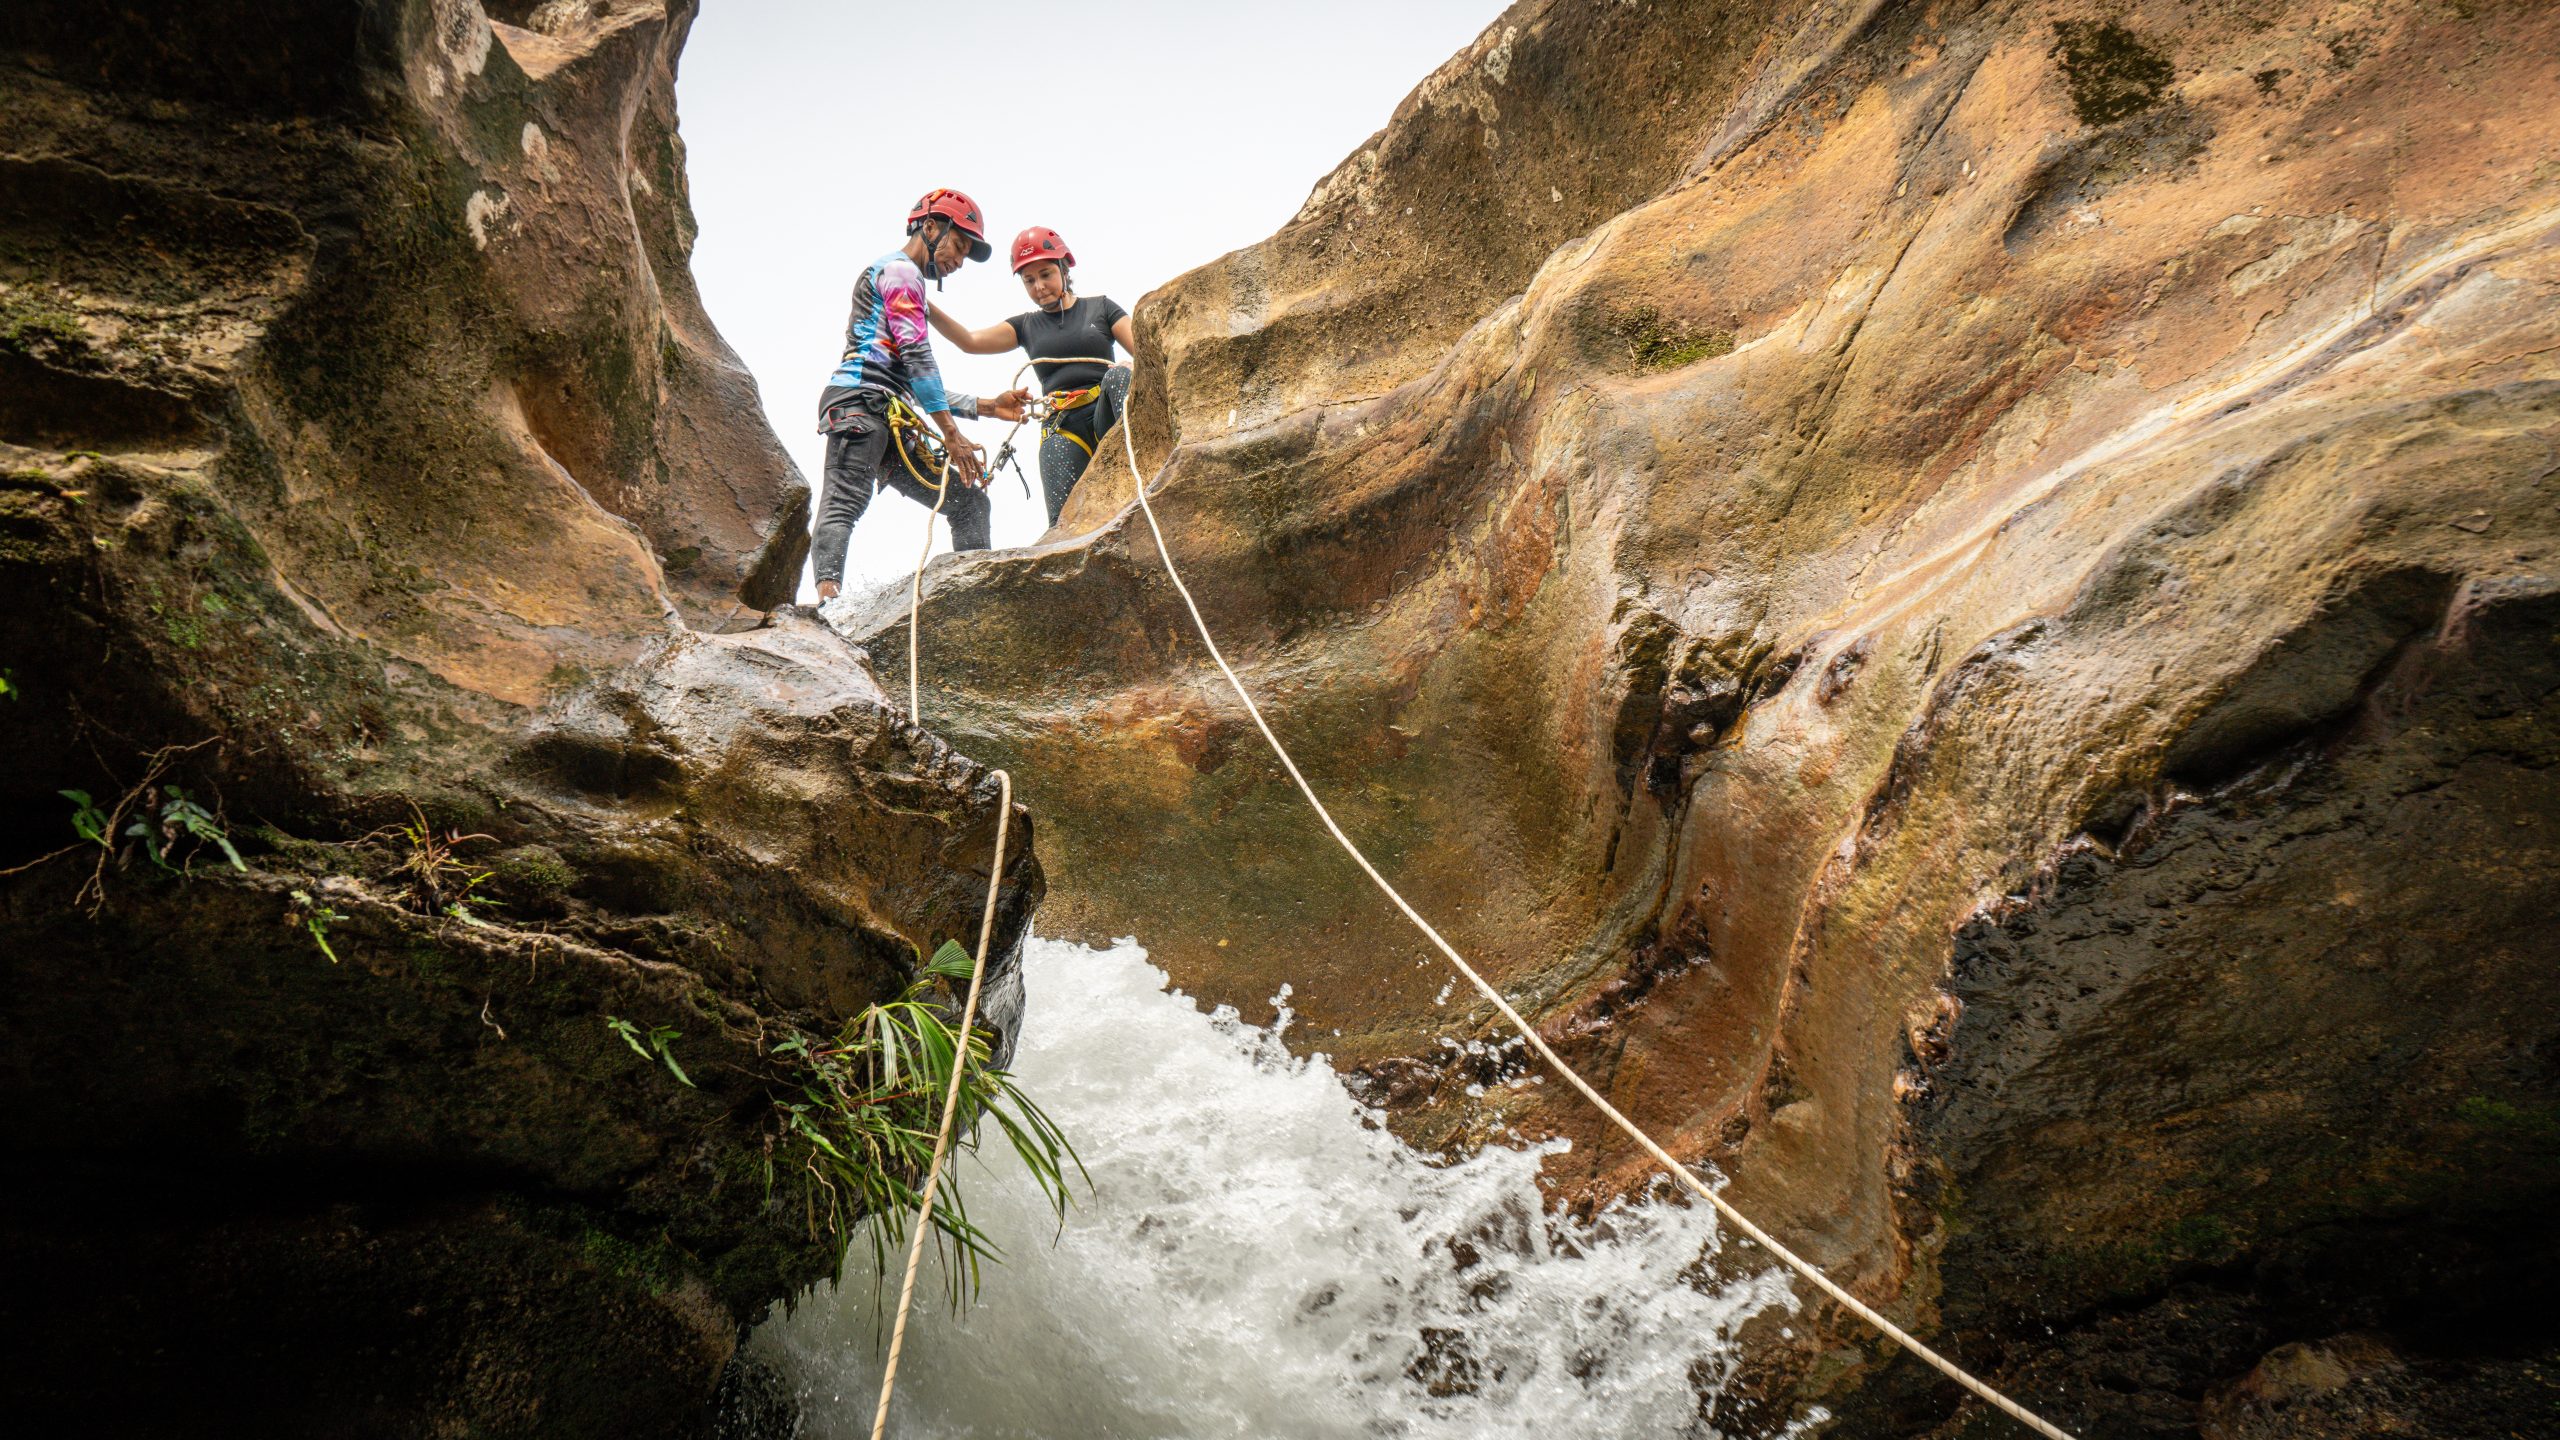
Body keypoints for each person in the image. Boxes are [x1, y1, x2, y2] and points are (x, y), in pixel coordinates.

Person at [811, 188, 1026, 601]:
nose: (958, 262)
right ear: (929, 227)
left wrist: (987, 407)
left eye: (965, 254)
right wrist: (951, 433)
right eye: (958, 245)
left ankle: (976, 598)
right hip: (859, 405)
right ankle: (827, 603)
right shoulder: (900, 272)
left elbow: (910, 377)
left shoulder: (904, 280)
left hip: (887, 410)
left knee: (969, 503)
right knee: (845, 500)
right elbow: (917, 358)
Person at [928, 226, 1134, 525]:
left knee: (1120, 377)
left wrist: (1130, 366)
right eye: (1029, 280)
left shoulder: (1101, 308)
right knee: (1061, 525)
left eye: (1046, 274)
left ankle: (1142, 463)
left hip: (1105, 411)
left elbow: (1145, 351)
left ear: (1064, 269)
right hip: (1063, 425)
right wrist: (924, 306)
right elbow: (969, 341)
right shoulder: (1026, 326)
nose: (1039, 286)